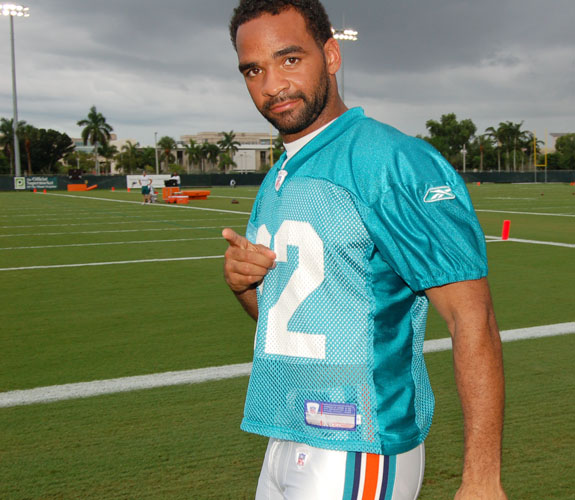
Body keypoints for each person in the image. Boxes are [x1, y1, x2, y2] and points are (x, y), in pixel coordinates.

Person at [222, 1, 507, 499]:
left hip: (359, 443)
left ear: (331, 55)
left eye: (290, 59)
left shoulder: (392, 161)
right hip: (285, 431)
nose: (272, 85)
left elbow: (472, 319)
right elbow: (297, 324)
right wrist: (246, 285)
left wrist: (482, 478)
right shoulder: (281, 175)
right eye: (254, 69)